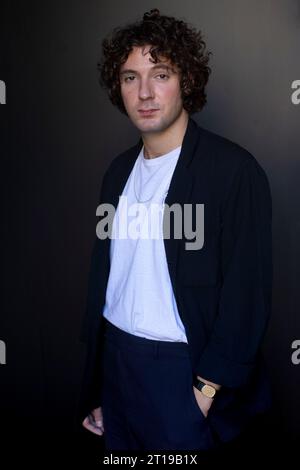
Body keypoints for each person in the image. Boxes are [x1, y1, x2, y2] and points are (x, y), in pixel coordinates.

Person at [78, 8, 273, 452]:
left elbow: (247, 295)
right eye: (130, 78)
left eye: (159, 74)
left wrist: (204, 392)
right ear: (119, 88)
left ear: (185, 79)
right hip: (118, 367)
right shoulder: (117, 173)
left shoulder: (233, 172)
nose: (145, 92)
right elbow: (109, 283)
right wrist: (100, 386)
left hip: (184, 377)